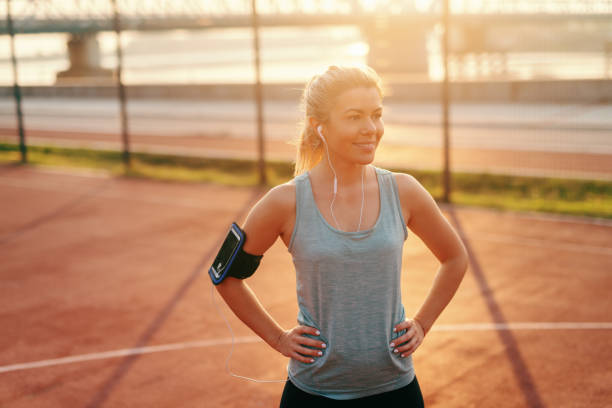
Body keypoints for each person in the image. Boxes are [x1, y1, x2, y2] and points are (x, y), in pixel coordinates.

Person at [214, 65, 468, 407]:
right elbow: (226, 277)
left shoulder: (403, 191)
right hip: (313, 393)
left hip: (396, 390)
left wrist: (422, 323)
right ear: (320, 127)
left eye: (376, 115)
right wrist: (278, 338)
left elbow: (455, 258)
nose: (370, 129)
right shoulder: (285, 202)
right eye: (354, 117)